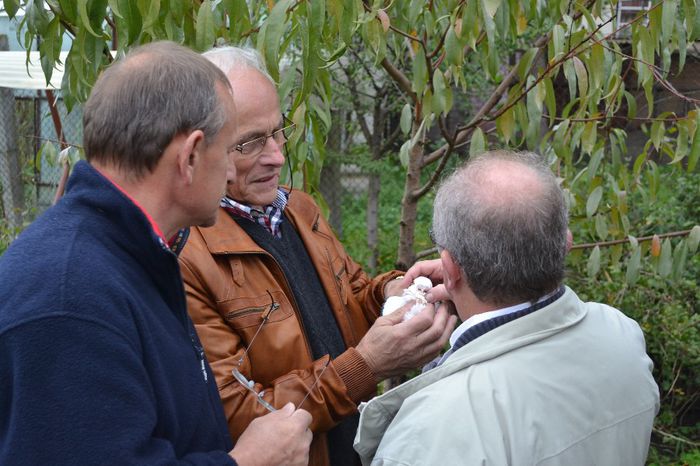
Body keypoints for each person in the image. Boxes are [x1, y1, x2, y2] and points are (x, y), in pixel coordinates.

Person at [0, 41, 312, 465]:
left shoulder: (134, 258)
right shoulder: (69, 300)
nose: (229, 171)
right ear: (190, 156)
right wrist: (250, 461)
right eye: (229, 151)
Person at [178, 46, 456, 466]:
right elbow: (238, 416)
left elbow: (351, 302)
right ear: (204, 147)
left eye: (277, 132)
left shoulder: (299, 209)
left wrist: (395, 292)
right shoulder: (187, 258)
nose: (276, 155)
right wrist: (365, 367)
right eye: (251, 142)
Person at [353, 150, 660, 465]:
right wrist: (460, 282)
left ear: (448, 267)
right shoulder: (622, 334)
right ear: (564, 243)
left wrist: (461, 280)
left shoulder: (428, 431)